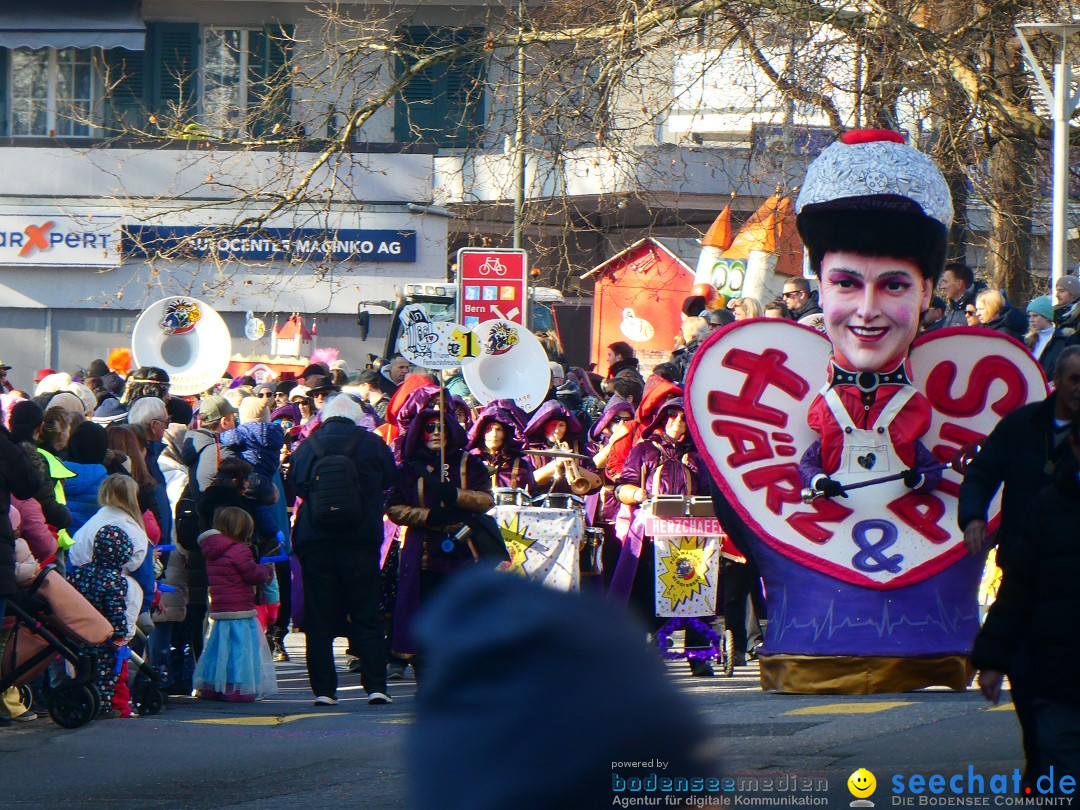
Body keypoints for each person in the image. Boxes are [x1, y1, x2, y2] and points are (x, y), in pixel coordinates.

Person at [958, 346, 1080, 786]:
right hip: (1028, 568)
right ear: (1058, 382)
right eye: (1074, 380)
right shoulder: (1021, 426)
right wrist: (973, 516)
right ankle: (1044, 769)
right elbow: (982, 473)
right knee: (1034, 695)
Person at [289, 394, 397, 706]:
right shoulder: (372, 444)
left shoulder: (308, 445)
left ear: (325, 416)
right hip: (360, 541)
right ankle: (376, 685)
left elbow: (294, 484)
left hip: (316, 542)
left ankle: (325, 690)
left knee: (319, 619)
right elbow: (391, 478)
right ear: (356, 417)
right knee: (366, 613)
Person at [386, 409, 495, 676]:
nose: (436, 432)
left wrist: (456, 495)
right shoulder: (410, 467)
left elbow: (486, 500)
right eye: (430, 427)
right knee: (421, 609)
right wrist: (429, 515)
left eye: (441, 427)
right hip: (422, 549)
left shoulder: (470, 463)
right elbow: (394, 508)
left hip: (463, 547)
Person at [68, 474, 149, 716]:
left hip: (82, 600)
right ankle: (116, 703)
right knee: (117, 659)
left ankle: (85, 698)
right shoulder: (132, 530)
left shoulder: (92, 525)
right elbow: (141, 572)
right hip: (123, 601)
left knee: (84, 655)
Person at [192, 506, 276, 702]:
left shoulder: (212, 550)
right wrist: (266, 570)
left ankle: (212, 686)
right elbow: (252, 575)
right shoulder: (239, 550)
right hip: (240, 609)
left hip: (221, 608)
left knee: (218, 649)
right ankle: (236, 688)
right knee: (240, 650)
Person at [467, 402, 537, 493]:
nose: (494, 434)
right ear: (481, 433)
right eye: (488, 430)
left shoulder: (520, 465)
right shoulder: (470, 461)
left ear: (505, 434)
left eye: (499, 429)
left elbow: (532, 494)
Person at [1025, 295, 1071, 377]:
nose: (1031, 320)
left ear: (1047, 317)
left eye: (1035, 316)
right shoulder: (1029, 340)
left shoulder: (1061, 341)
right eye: (1030, 316)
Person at [939, 262, 982, 328]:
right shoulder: (954, 307)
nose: (942, 287)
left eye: (945, 282)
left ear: (959, 284)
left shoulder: (978, 309)